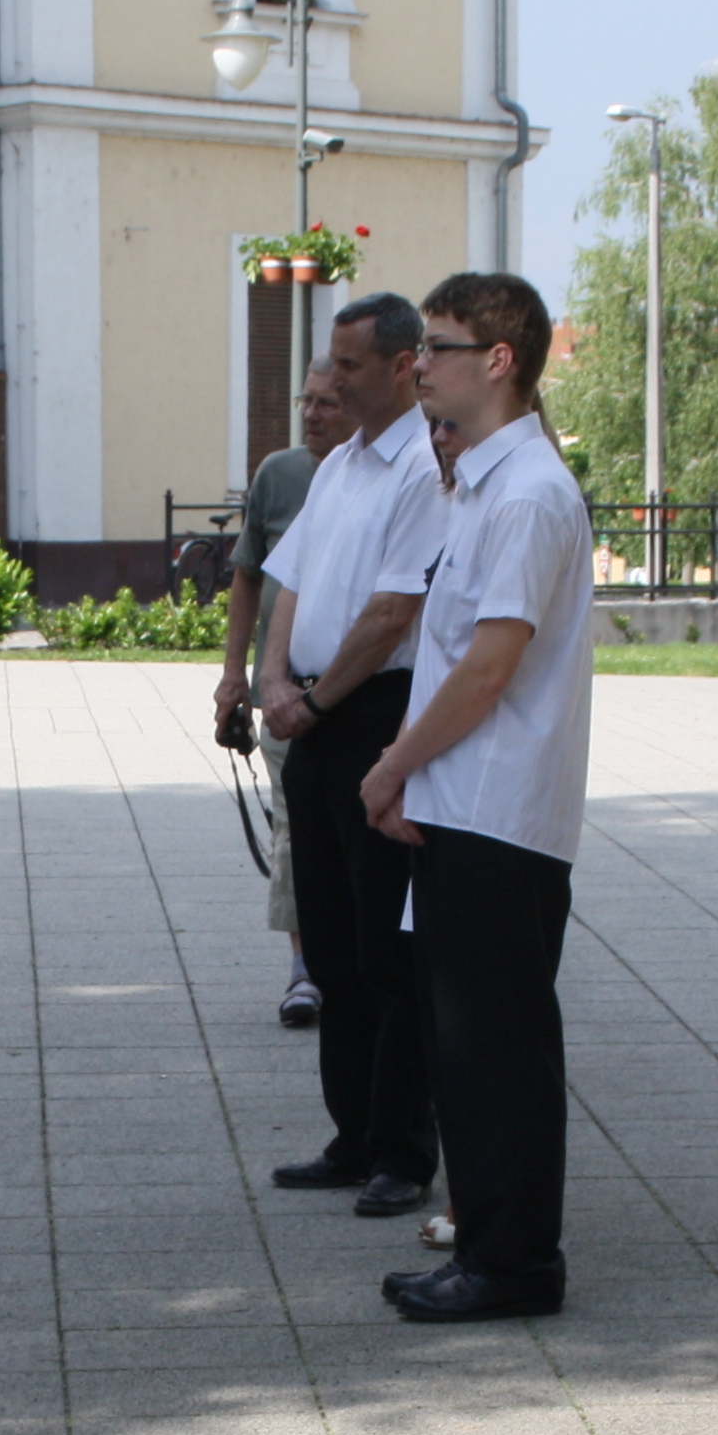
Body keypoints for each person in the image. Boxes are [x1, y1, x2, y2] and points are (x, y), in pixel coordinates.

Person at [362, 271, 592, 1322]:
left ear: (498, 361)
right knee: (468, 1049)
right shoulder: (486, 486)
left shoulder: (530, 492)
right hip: (468, 805)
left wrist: (392, 763)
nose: (420, 366)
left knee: (497, 1052)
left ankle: (514, 1265)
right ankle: (492, 1248)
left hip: (499, 811)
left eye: (438, 347)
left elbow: (488, 666)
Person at [255, 294, 449, 1221]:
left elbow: (393, 612)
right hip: (314, 716)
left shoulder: (422, 468)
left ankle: (403, 1150)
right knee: (329, 942)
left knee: (385, 950)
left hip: (372, 712)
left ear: (404, 365)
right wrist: (270, 680)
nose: (332, 380)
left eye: (351, 364)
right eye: (330, 361)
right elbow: (288, 582)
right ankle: (353, 1134)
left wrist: (318, 698)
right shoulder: (339, 467)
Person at [216, 364, 346, 1027]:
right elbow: (247, 577)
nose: (311, 414)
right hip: (284, 695)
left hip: (356, 693)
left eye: (327, 403)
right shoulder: (280, 474)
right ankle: (305, 966)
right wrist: (234, 676)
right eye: (306, 401)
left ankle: (349, 954)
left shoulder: (383, 476)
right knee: (294, 827)